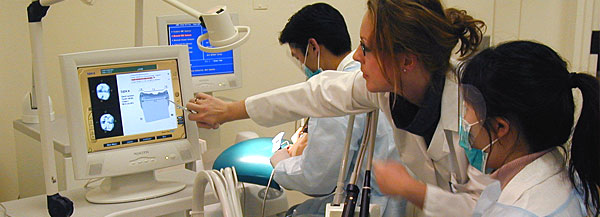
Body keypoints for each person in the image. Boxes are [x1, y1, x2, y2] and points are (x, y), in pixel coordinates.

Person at [187, 0, 485, 215]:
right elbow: (316, 94)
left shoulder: (475, 113)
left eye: (366, 48)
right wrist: (230, 111)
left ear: (406, 61)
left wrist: (410, 189)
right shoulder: (389, 89)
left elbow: (491, 207)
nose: (357, 55)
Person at [375, 40, 600, 216]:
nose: (463, 121)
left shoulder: (523, 209)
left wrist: (410, 189)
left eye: (468, 109)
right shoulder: (559, 173)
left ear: (501, 127)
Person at [266, 3, 405, 216]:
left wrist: (279, 163)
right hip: (386, 199)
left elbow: (316, 179)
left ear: (313, 47)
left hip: (370, 205)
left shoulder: (336, 93)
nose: (302, 65)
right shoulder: (367, 77)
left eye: (298, 57)